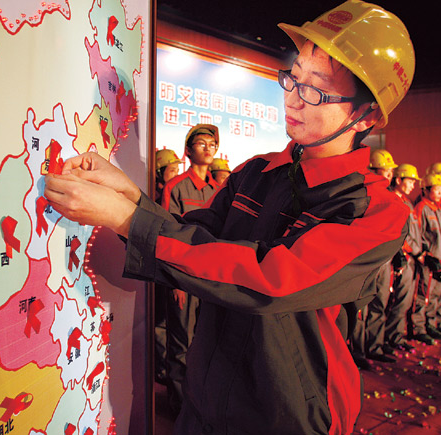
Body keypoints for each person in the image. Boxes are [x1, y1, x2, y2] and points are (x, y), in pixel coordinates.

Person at [44, 1, 414, 433]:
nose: (294, 98)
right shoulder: (256, 173)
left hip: (286, 412)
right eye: (293, 78)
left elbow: (272, 280)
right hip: (207, 395)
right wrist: (130, 196)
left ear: (366, 114)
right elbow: (198, 238)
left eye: (316, 89)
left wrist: (129, 219)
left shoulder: (374, 211)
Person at [160, 124, 220, 415]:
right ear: (188, 151)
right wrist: (176, 281)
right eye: (201, 143)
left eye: (212, 143)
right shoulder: (176, 187)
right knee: (181, 342)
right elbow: (168, 234)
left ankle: (198, 404)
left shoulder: (218, 190)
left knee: (205, 342)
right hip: (184, 276)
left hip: (209, 279)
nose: (208, 148)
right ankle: (179, 406)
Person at [363, 149, 398, 363]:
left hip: (386, 259)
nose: (389, 175)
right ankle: (357, 351)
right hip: (368, 259)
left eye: (390, 172)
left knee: (380, 303)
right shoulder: (363, 193)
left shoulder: (391, 198)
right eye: (385, 171)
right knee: (362, 309)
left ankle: (373, 347)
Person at [153, 148, 182, 385]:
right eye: (172, 170)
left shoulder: (176, 191)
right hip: (161, 268)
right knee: (161, 321)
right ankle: (161, 369)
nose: (175, 174)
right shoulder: (157, 197)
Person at [385, 164, 421, 351]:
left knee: (403, 300)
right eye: (410, 181)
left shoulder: (408, 203)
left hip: (411, 257)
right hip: (398, 258)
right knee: (390, 301)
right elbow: (399, 234)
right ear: (398, 180)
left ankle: (394, 336)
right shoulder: (390, 200)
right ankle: (382, 340)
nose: (413, 185)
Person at [411, 173, 441, 344]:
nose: (439, 193)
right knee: (424, 294)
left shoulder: (437, 209)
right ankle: (419, 327)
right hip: (428, 260)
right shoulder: (422, 208)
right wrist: (425, 254)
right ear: (427, 190)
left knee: (436, 294)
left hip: (439, 259)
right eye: (437, 190)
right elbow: (419, 234)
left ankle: (431, 323)